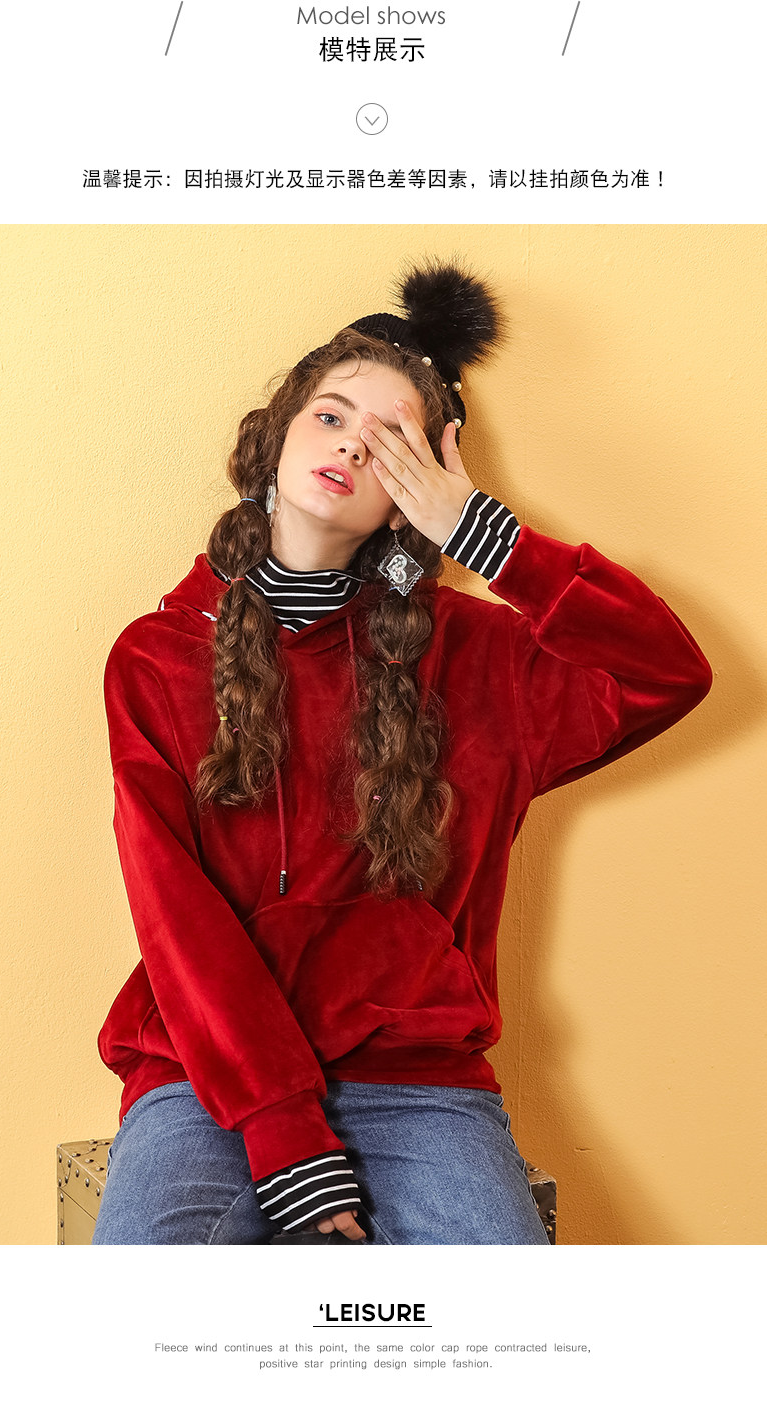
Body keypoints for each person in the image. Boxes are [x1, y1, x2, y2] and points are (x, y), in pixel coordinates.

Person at [92, 260, 712, 1246]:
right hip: (207, 1080)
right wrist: (284, 1130)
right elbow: (177, 915)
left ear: (412, 498)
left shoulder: (479, 658)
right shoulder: (157, 657)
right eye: (331, 416)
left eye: (392, 442)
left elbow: (665, 672)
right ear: (274, 441)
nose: (351, 443)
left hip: (418, 1081)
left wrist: (484, 535)